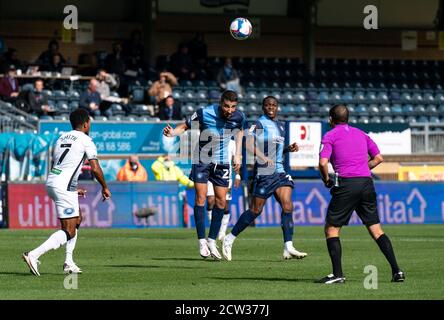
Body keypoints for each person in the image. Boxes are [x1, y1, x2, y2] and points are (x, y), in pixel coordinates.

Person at [316, 104, 404, 284]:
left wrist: (326, 181)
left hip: (347, 184)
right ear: (347, 118)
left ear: (331, 120)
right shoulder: (361, 134)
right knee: (376, 230)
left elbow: (323, 163)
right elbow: (379, 158)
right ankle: (397, 271)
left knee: (331, 229)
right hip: (366, 183)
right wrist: (363, 168)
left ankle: (338, 274)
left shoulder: (330, 135)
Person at [22, 108, 111, 276]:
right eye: (89, 123)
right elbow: (95, 168)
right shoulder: (86, 140)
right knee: (69, 230)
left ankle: (69, 262)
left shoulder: (61, 138)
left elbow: (63, 165)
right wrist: (104, 187)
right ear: (86, 124)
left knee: (77, 218)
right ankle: (33, 255)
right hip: (63, 185)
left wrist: (72, 188)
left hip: (55, 181)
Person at [222, 96, 307, 261]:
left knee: (287, 206)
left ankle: (288, 246)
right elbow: (247, 143)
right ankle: (229, 238)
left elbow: (275, 151)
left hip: (280, 171)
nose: (271, 107)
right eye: (267, 105)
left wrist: (288, 149)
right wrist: (262, 156)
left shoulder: (281, 126)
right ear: (263, 107)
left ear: (277, 107)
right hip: (265, 172)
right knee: (255, 210)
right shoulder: (258, 124)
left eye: (274, 105)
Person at [163, 90, 245, 260]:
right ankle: (201, 240)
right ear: (220, 102)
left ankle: (212, 240)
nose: (229, 110)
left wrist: (238, 154)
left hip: (222, 163)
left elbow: (240, 132)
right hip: (202, 160)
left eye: (233, 107)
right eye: (226, 106)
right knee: (201, 198)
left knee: (221, 201)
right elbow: (185, 125)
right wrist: (172, 133)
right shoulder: (204, 113)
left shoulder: (238, 117)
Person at [206, 138, 241, 241]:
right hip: (211, 175)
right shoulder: (211, 140)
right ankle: (214, 229)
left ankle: (222, 231)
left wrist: (238, 175)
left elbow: (236, 160)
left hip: (226, 177)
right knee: (210, 201)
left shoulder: (232, 143)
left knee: (225, 205)